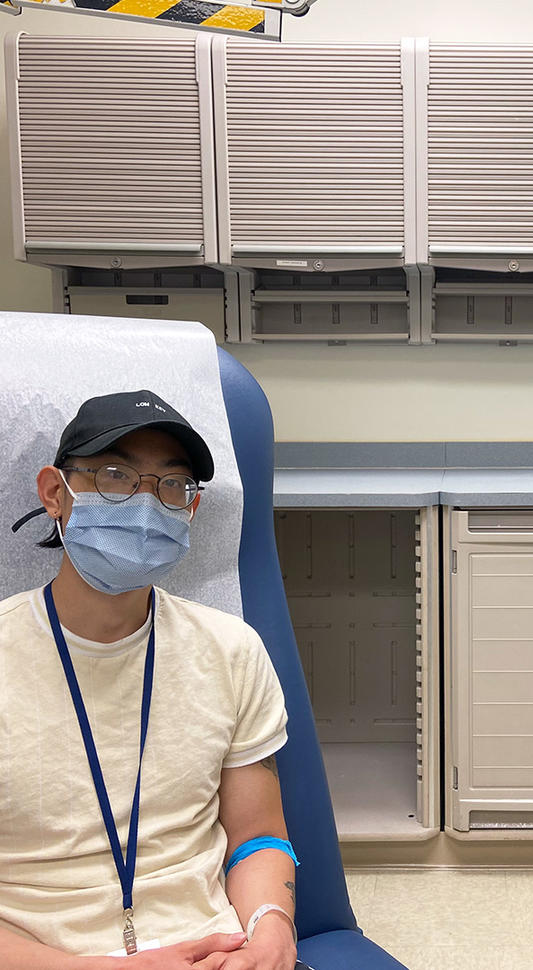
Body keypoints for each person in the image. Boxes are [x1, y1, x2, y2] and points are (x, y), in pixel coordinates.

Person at [0, 389, 306, 970]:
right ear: (54, 494)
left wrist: (272, 930)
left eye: (172, 485)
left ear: (189, 510)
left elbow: (258, 838)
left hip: (215, 953)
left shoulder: (231, 651)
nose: (146, 506)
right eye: (114, 476)